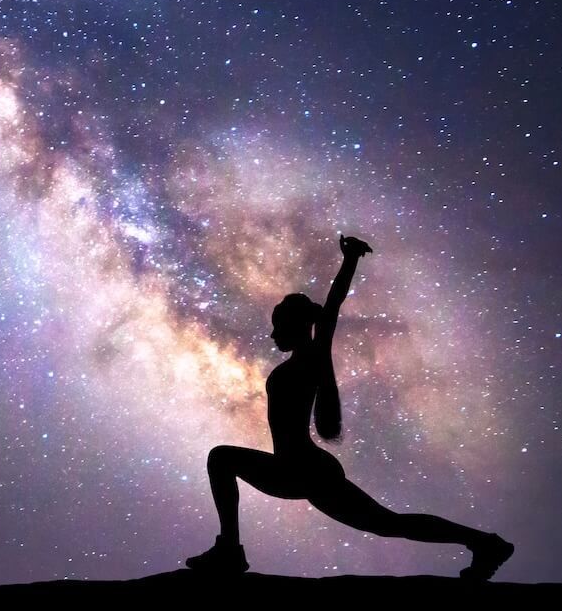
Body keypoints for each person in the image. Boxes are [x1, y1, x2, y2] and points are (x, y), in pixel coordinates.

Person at [185, 233, 514, 580]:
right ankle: (483, 543)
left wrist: (350, 260)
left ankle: (230, 552)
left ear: (294, 326)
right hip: (294, 469)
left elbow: (331, 310)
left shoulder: (312, 355)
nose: (271, 336)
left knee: (222, 458)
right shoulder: (302, 360)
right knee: (388, 523)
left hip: (305, 469)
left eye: (277, 327)